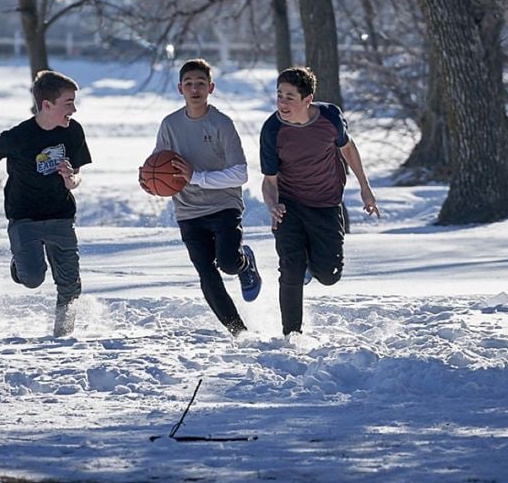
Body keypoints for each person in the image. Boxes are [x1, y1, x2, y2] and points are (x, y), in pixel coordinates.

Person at [0, 69, 92, 338]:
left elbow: (77, 177)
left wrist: (71, 179)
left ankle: (62, 337)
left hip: (61, 216)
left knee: (69, 285)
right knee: (32, 279)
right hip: (24, 219)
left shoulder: (73, 131)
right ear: (47, 105)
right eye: (68, 103)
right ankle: (19, 266)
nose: (74, 109)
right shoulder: (19, 137)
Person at [143, 58, 262, 337]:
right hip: (188, 211)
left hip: (223, 206)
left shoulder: (221, 123)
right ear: (179, 89)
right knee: (207, 273)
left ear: (211, 87)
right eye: (188, 84)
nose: (194, 88)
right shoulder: (170, 124)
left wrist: (197, 177)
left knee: (229, 263)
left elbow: (240, 173)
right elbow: (160, 163)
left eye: (200, 83)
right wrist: (149, 179)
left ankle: (246, 263)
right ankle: (239, 332)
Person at [259, 66, 380, 335]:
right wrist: (272, 206)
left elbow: (347, 147)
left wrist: (365, 187)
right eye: (279, 95)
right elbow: (269, 182)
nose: (282, 103)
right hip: (289, 204)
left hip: (326, 204)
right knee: (290, 267)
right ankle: (292, 335)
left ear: (307, 99)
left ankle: (310, 266)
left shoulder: (330, 117)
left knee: (329, 275)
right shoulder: (272, 130)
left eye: (290, 97)